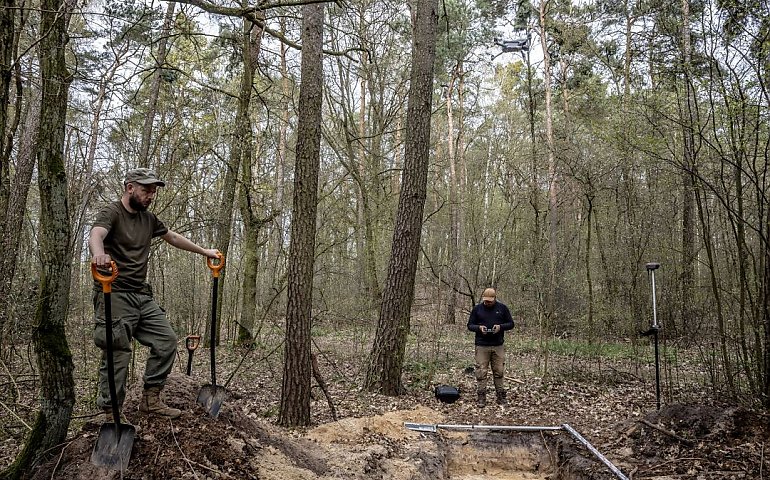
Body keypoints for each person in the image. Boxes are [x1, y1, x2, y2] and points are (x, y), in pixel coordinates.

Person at [90, 168, 219, 421]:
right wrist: (98, 254)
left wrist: (205, 251)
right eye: (146, 190)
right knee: (117, 352)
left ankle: (151, 400)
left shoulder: (148, 219)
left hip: (141, 295)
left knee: (166, 341)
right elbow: (96, 234)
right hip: (114, 293)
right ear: (130, 188)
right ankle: (110, 412)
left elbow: (171, 237)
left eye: (153, 191)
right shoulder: (112, 213)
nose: (151, 195)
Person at [467, 287, 515, 407]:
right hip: (482, 345)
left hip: (498, 345)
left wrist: (500, 327)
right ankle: (481, 396)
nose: (487, 302)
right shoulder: (477, 309)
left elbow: (511, 324)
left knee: (499, 371)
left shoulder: (502, 308)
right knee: (481, 371)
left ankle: (500, 396)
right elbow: (470, 325)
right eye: (486, 300)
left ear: (494, 299)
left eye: (490, 301)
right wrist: (479, 328)